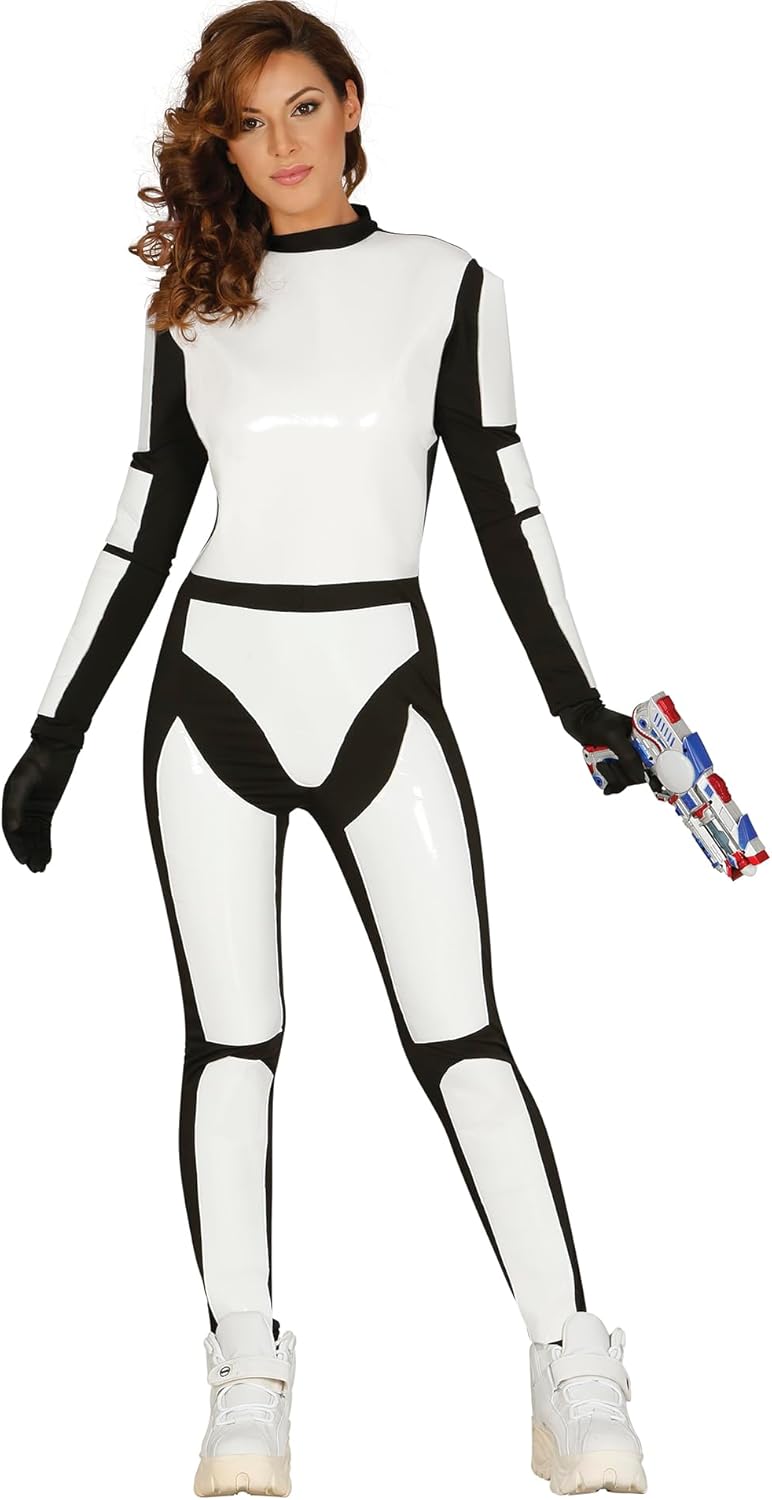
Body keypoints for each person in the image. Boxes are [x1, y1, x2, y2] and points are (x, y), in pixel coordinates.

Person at [1, 4, 650, 1496]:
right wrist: (55, 729)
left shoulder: (444, 284)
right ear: (219, 143)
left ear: (352, 104)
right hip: (214, 693)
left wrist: (583, 710)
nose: (281, 143)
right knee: (233, 1044)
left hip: (380, 687)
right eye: (247, 121)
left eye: (302, 106)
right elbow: (141, 524)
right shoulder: (193, 305)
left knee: (463, 1037)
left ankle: (572, 1359)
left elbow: (507, 507)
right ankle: (247, 1372)